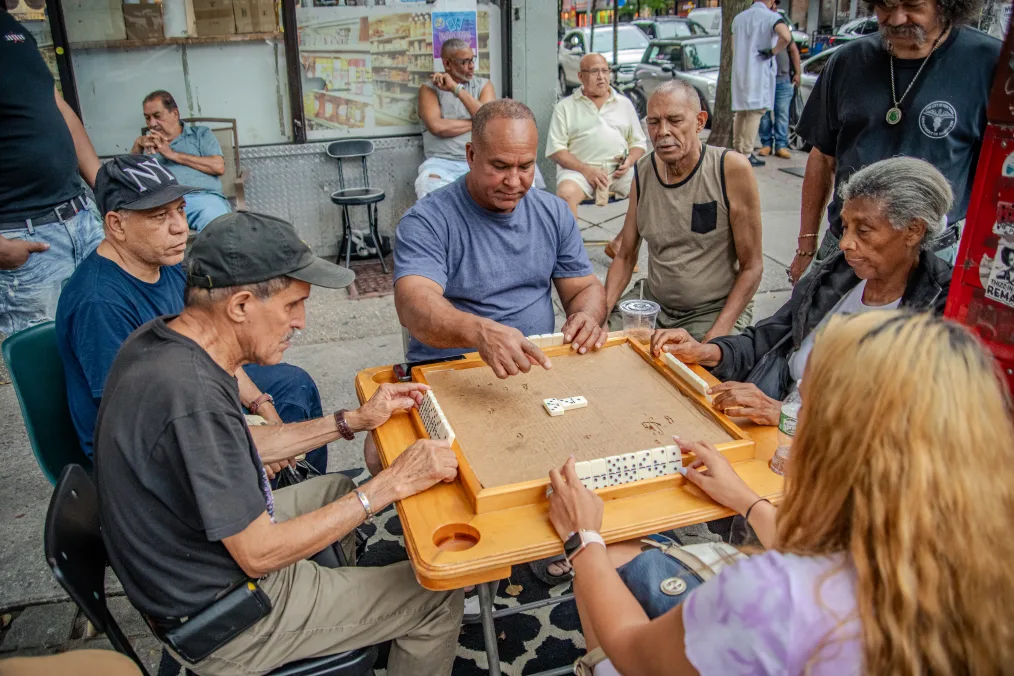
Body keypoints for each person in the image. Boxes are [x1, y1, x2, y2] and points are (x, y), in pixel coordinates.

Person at [95, 212, 463, 676]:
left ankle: (345, 617)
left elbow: (239, 443)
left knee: (332, 491)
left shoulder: (165, 342)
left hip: (194, 565)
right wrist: (388, 485)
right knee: (436, 597)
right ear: (241, 305)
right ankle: (338, 622)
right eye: (293, 305)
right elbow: (259, 553)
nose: (302, 322)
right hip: (228, 614)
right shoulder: (191, 397)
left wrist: (352, 420)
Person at [548, 310, 1014, 675]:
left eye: (805, 406)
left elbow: (635, 655)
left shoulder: (771, 596)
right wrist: (748, 500)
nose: (792, 419)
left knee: (614, 552)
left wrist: (582, 540)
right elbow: (835, 559)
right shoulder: (981, 553)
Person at [395, 99, 607, 584]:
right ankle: (467, 564)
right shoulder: (429, 220)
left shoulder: (552, 211)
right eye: (500, 166)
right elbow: (414, 305)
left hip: (538, 374)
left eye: (526, 166)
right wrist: (477, 332)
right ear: (470, 155)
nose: (515, 180)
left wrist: (590, 316)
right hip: (453, 378)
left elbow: (585, 288)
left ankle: (569, 537)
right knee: (440, 471)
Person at [55, 155, 328, 479]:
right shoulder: (99, 301)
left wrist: (261, 406)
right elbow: (139, 414)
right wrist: (248, 436)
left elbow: (214, 349)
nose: (180, 227)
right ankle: (274, 510)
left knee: (294, 385)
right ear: (116, 224)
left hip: (190, 390)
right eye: (160, 216)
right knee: (260, 445)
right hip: (144, 440)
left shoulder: (167, 265)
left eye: (181, 210)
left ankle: (301, 489)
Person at [652, 157, 952, 423]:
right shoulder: (837, 273)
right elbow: (767, 338)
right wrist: (706, 351)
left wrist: (788, 416)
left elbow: (900, 422)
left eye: (863, 230)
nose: (846, 243)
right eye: (845, 227)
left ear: (913, 230)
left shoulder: (941, 307)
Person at [788, 0, 1000, 282]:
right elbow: (822, 155)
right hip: (845, 247)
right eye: (885, 6)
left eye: (913, 5)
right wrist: (806, 246)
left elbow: (1000, 174)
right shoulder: (847, 60)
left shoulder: (990, 63)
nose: (897, 19)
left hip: (932, 258)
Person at [605, 79, 763, 344]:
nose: (663, 131)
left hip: (713, 310)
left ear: (700, 122)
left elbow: (752, 266)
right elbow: (625, 256)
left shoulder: (730, 169)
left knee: (695, 375)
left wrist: (716, 335)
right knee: (595, 348)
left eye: (675, 120)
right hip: (652, 304)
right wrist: (600, 314)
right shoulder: (643, 172)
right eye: (654, 122)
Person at [0, 8, 104, 335]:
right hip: (24, 238)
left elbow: (57, 106)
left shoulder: (13, 28)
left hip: (81, 218)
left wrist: (106, 185)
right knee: (49, 362)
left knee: (113, 337)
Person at [547, 53, 647, 217]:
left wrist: (628, 161)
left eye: (605, 71)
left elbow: (639, 143)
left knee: (647, 190)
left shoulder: (624, 104)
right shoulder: (565, 107)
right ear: (581, 76)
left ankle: (624, 240)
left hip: (617, 172)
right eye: (594, 72)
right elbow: (557, 150)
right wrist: (587, 171)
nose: (601, 77)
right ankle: (572, 242)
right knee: (565, 194)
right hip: (578, 173)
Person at [130, 90, 231, 232]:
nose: (152, 124)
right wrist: (136, 148)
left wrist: (172, 154)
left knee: (215, 223)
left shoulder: (200, 134)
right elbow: (128, 181)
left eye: (157, 116)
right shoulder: (146, 145)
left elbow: (218, 166)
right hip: (161, 204)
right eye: (147, 118)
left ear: (175, 114)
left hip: (201, 199)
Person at [415, 38, 496, 199]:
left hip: (480, 160)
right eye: (464, 62)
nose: (472, 66)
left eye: (472, 60)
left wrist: (456, 89)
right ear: (447, 64)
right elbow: (437, 127)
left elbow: (488, 119)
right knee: (428, 187)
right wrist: (476, 122)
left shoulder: (483, 85)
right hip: (441, 162)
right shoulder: (429, 88)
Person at [731, 0, 792, 167]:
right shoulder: (771, 17)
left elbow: (733, 46)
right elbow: (786, 36)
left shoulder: (738, 19)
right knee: (755, 112)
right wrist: (772, 51)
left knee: (741, 112)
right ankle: (747, 153)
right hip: (758, 71)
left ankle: (738, 149)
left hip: (740, 71)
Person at [757, 2, 800, 160]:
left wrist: (798, 73)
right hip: (764, 78)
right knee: (764, 113)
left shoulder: (782, 25)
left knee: (782, 113)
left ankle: (781, 145)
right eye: (772, 4)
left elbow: (793, 50)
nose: (773, 7)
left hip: (782, 77)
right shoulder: (761, 28)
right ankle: (766, 144)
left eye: (775, 5)